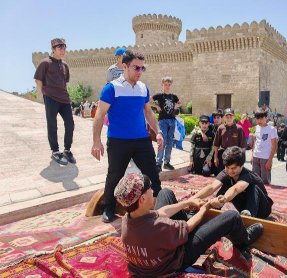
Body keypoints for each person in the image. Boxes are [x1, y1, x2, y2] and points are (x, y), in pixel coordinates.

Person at [114, 172, 263, 277]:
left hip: (153, 255)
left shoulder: (128, 219)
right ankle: (245, 239)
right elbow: (189, 227)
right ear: (142, 199)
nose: (153, 190)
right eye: (150, 189)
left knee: (165, 192)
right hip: (177, 259)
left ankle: (186, 213)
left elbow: (161, 212)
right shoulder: (157, 227)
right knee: (232, 216)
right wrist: (205, 208)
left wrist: (187, 202)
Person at [91, 50, 163, 223]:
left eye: (142, 68)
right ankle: (108, 208)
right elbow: (100, 115)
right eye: (136, 67)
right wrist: (96, 141)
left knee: (152, 173)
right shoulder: (112, 88)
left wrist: (158, 131)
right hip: (118, 141)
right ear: (125, 66)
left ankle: (160, 204)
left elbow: (148, 113)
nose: (139, 71)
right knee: (114, 175)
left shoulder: (143, 88)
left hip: (141, 141)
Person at [191, 146, 273, 219]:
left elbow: (236, 189)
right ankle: (215, 209)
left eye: (233, 168)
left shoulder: (248, 175)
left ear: (242, 165)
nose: (230, 171)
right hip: (243, 207)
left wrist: (224, 199)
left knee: (253, 187)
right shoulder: (226, 173)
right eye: (227, 167)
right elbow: (212, 187)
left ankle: (250, 216)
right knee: (226, 184)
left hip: (262, 209)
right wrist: (192, 200)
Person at [34, 38, 75, 166]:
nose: (62, 50)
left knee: (70, 124)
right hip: (50, 98)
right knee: (52, 125)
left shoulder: (65, 65)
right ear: (53, 49)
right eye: (59, 48)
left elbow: (64, 82)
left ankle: (67, 150)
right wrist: (45, 93)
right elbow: (38, 80)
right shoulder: (45, 63)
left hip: (64, 99)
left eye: (64, 48)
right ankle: (55, 151)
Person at [151, 77, 181, 171]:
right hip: (163, 120)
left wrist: (175, 106)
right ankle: (158, 163)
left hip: (172, 120)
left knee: (170, 142)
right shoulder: (159, 95)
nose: (167, 86)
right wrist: (156, 106)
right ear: (162, 84)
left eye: (169, 84)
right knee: (162, 142)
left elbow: (180, 103)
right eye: (165, 84)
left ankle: (167, 162)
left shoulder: (173, 96)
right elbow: (147, 101)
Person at [213, 108, 246, 173]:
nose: (229, 119)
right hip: (223, 155)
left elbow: (243, 146)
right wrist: (215, 157)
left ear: (233, 117)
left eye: (230, 117)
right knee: (222, 174)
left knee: (234, 174)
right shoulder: (221, 128)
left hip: (235, 155)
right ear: (224, 117)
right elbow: (216, 144)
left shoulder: (239, 128)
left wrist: (242, 160)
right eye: (227, 117)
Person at [251, 108, 278, 184]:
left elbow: (274, 146)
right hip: (256, 157)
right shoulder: (256, 128)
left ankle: (265, 195)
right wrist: (252, 155)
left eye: (261, 118)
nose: (259, 121)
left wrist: (270, 160)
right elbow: (255, 142)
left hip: (265, 158)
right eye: (257, 119)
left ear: (266, 118)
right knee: (255, 180)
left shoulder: (272, 129)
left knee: (265, 181)